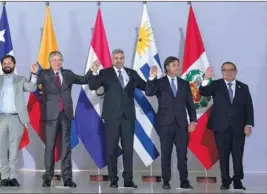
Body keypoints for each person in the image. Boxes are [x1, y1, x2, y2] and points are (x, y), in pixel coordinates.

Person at [30, 51, 97, 188]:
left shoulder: (68, 74)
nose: (57, 62)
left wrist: (92, 70)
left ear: (62, 61)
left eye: (59, 59)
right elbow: (33, 87)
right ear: (49, 62)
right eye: (54, 59)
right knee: (50, 147)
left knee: (66, 147)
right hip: (50, 115)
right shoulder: (44, 74)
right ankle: (47, 178)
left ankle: (67, 178)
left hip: (66, 115)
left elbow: (83, 80)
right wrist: (33, 74)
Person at [88, 49, 146, 188]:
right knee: (111, 149)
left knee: (128, 150)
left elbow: (145, 86)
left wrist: (152, 77)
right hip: (112, 117)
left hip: (128, 117)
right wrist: (94, 72)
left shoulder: (132, 73)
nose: (118, 60)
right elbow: (93, 85)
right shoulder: (105, 73)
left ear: (124, 59)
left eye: (121, 58)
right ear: (112, 59)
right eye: (116, 58)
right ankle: (113, 180)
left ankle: (128, 180)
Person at [0, 55, 38, 188]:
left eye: (9, 63)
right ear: (2, 66)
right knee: (1, 148)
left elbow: (31, 88)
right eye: (5, 63)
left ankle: (13, 176)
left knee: (14, 149)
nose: (7, 65)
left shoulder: (20, 79)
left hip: (16, 118)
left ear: (14, 65)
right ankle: (4, 177)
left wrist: (34, 74)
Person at [199, 62, 253, 191]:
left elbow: (249, 108)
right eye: (224, 70)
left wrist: (249, 124)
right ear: (222, 72)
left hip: (239, 128)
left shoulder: (243, 87)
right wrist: (206, 78)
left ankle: (238, 181)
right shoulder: (216, 85)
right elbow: (203, 91)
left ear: (236, 71)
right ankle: (225, 181)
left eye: (231, 70)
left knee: (238, 155)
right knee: (223, 155)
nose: (228, 72)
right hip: (221, 127)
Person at [145, 56, 196, 189]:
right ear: (167, 67)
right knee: (166, 153)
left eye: (177, 65)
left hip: (181, 124)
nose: (176, 67)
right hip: (165, 123)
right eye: (173, 65)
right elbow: (149, 92)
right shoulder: (159, 82)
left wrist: (193, 121)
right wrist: (151, 77)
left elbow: (190, 104)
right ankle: (166, 181)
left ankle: (184, 181)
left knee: (182, 154)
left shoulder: (184, 83)